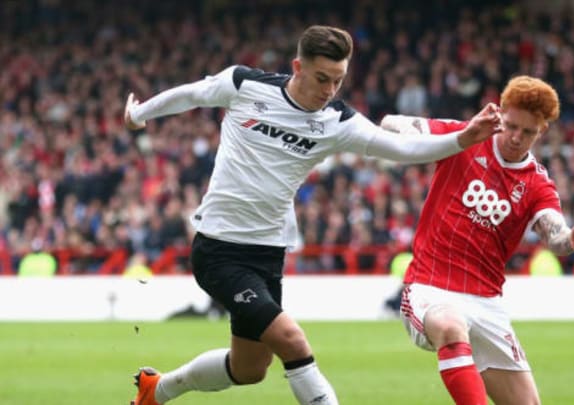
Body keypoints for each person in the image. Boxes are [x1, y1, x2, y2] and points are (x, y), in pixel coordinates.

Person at [123, 25, 501, 405]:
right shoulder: (245, 85)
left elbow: (401, 147)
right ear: (297, 67)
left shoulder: (337, 121)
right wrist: (139, 113)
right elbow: (192, 94)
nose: (329, 90)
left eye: (338, 81)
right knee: (293, 342)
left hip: (268, 254)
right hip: (219, 250)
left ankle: (157, 390)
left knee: (249, 368)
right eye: (322, 78)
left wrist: (463, 138)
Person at [381, 75, 574, 405]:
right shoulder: (465, 135)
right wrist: (461, 135)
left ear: (541, 131)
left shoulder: (537, 183)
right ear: (499, 113)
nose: (516, 137)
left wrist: (572, 237)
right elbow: (388, 124)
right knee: (451, 325)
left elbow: (555, 234)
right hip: (430, 287)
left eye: (528, 132)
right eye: (511, 125)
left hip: (486, 302)